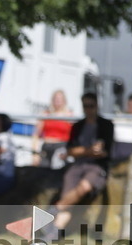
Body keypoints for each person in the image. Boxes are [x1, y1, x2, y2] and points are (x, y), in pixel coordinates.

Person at [49, 92, 115, 236]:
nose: (88, 109)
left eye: (91, 106)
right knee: (68, 197)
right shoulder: (78, 126)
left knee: (83, 187)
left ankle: (54, 210)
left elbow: (105, 153)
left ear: (97, 106)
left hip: (97, 167)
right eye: (85, 106)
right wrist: (89, 151)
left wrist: (84, 151)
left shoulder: (106, 125)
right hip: (77, 166)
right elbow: (70, 151)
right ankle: (52, 232)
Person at [31, 89, 73, 168]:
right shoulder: (46, 114)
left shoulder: (69, 116)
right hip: (47, 146)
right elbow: (35, 135)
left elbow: (73, 136)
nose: (57, 101)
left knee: (56, 170)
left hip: (61, 147)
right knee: (43, 172)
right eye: (55, 99)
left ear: (64, 101)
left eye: (60, 99)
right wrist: (35, 154)